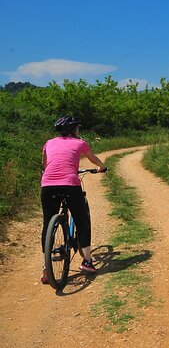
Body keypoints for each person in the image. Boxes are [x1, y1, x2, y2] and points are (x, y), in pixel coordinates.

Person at [40, 115, 107, 283]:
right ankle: (87, 261)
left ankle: (46, 269)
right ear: (74, 129)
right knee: (81, 220)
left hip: (48, 185)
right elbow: (94, 159)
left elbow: (45, 165)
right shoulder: (80, 143)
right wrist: (102, 167)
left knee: (48, 222)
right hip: (70, 184)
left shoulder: (49, 143)